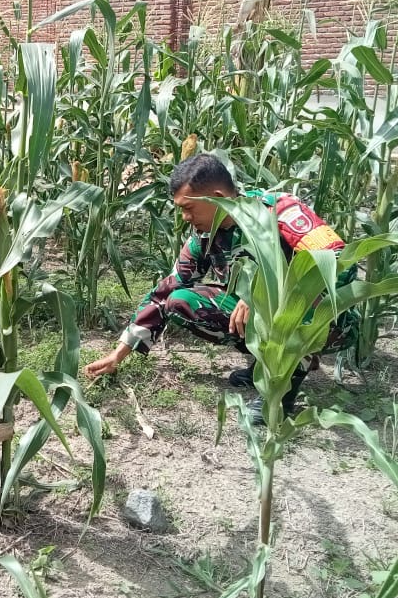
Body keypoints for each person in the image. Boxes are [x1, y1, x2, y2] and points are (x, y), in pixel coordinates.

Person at [83, 153, 357, 423]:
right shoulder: (205, 234)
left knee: (277, 307)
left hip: (326, 322)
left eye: (189, 208)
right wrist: (118, 354)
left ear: (218, 197)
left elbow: (340, 262)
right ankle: (265, 363)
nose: (185, 217)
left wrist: (261, 293)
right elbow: (167, 289)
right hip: (260, 320)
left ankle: (281, 391)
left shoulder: (279, 211)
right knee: (180, 301)